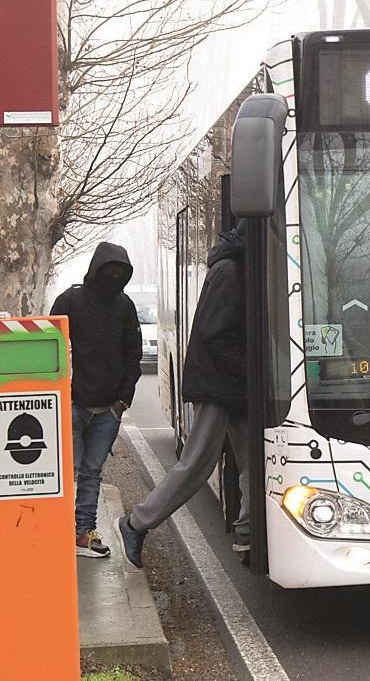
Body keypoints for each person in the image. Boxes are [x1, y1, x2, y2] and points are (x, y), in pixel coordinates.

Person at [116, 221, 250, 569]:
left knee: (258, 462)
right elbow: (216, 333)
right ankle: (135, 524)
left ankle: (248, 532)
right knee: (196, 465)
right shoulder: (230, 271)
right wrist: (253, 370)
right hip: (218, 385)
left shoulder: (238, 266)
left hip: (234, 385)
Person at [50, 242, 142, 557]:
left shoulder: (125, 307)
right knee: (69, 472)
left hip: (107, 411)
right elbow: (51, 347)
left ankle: (82, 533)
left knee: (91, 473)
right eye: (109, 270)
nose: (114, 276)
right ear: (96, 269)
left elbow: (133, 355)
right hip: (72, 406)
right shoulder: (71, 301)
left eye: (120, 273)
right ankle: (58, 531)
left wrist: (122, 403)